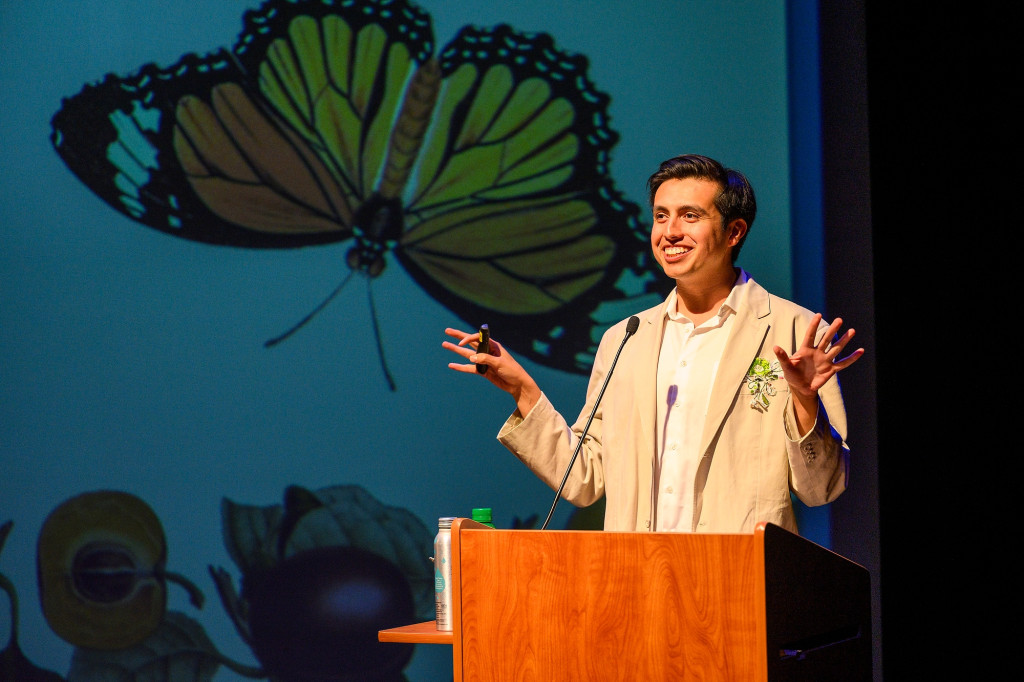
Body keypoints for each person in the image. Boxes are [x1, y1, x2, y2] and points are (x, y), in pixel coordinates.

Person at [443, 154, 863, 534]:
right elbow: (584, 478)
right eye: (661, 216)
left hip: (738, 584)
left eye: (690, 216)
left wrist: (806, 401)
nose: (670, 232)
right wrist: (523, 390)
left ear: (734, 231)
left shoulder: (795, 331)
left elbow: (821, 489)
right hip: (638, 582)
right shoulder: (626, 339)